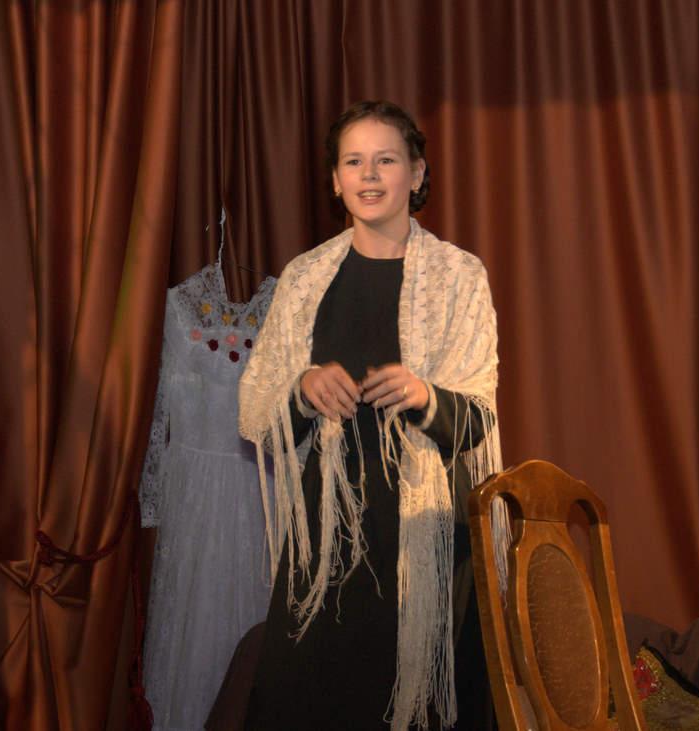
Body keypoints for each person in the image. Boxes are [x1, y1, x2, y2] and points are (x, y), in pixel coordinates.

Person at [238, 100, 501, 730]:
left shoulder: (460, 275)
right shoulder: (304, 278)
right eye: (353, 162)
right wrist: (303, 389)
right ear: (335, 180)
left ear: (417, 172)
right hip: (327, 530)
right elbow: (256, 411)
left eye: (386, 160)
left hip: (425, 534)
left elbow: (479, 417)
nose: (370, 175)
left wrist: (423, 395)